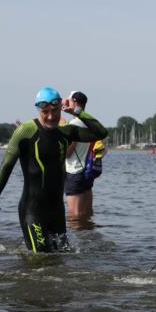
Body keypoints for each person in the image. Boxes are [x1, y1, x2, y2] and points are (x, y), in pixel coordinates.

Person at [0, 87, 108, 252]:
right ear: (38, 109)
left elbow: (101, 132)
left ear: (60, 108)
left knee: (63, 257)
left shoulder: (65, 132)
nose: (51, 116)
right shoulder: (25, 131)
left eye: (55, 111)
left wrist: (77, 111)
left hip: (56, 211)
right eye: (45, 111)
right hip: (32, 210)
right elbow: (6, 167)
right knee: (41, 258)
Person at [64, 91, 106, 220]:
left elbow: (68, 153)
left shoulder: (74, 125)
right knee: (87, 214)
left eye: (69, 101)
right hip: (87, 171)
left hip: (74, 171)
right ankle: (89, 238)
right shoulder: (89, 123)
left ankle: (78, 240)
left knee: (74, 217)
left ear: (75, 102)